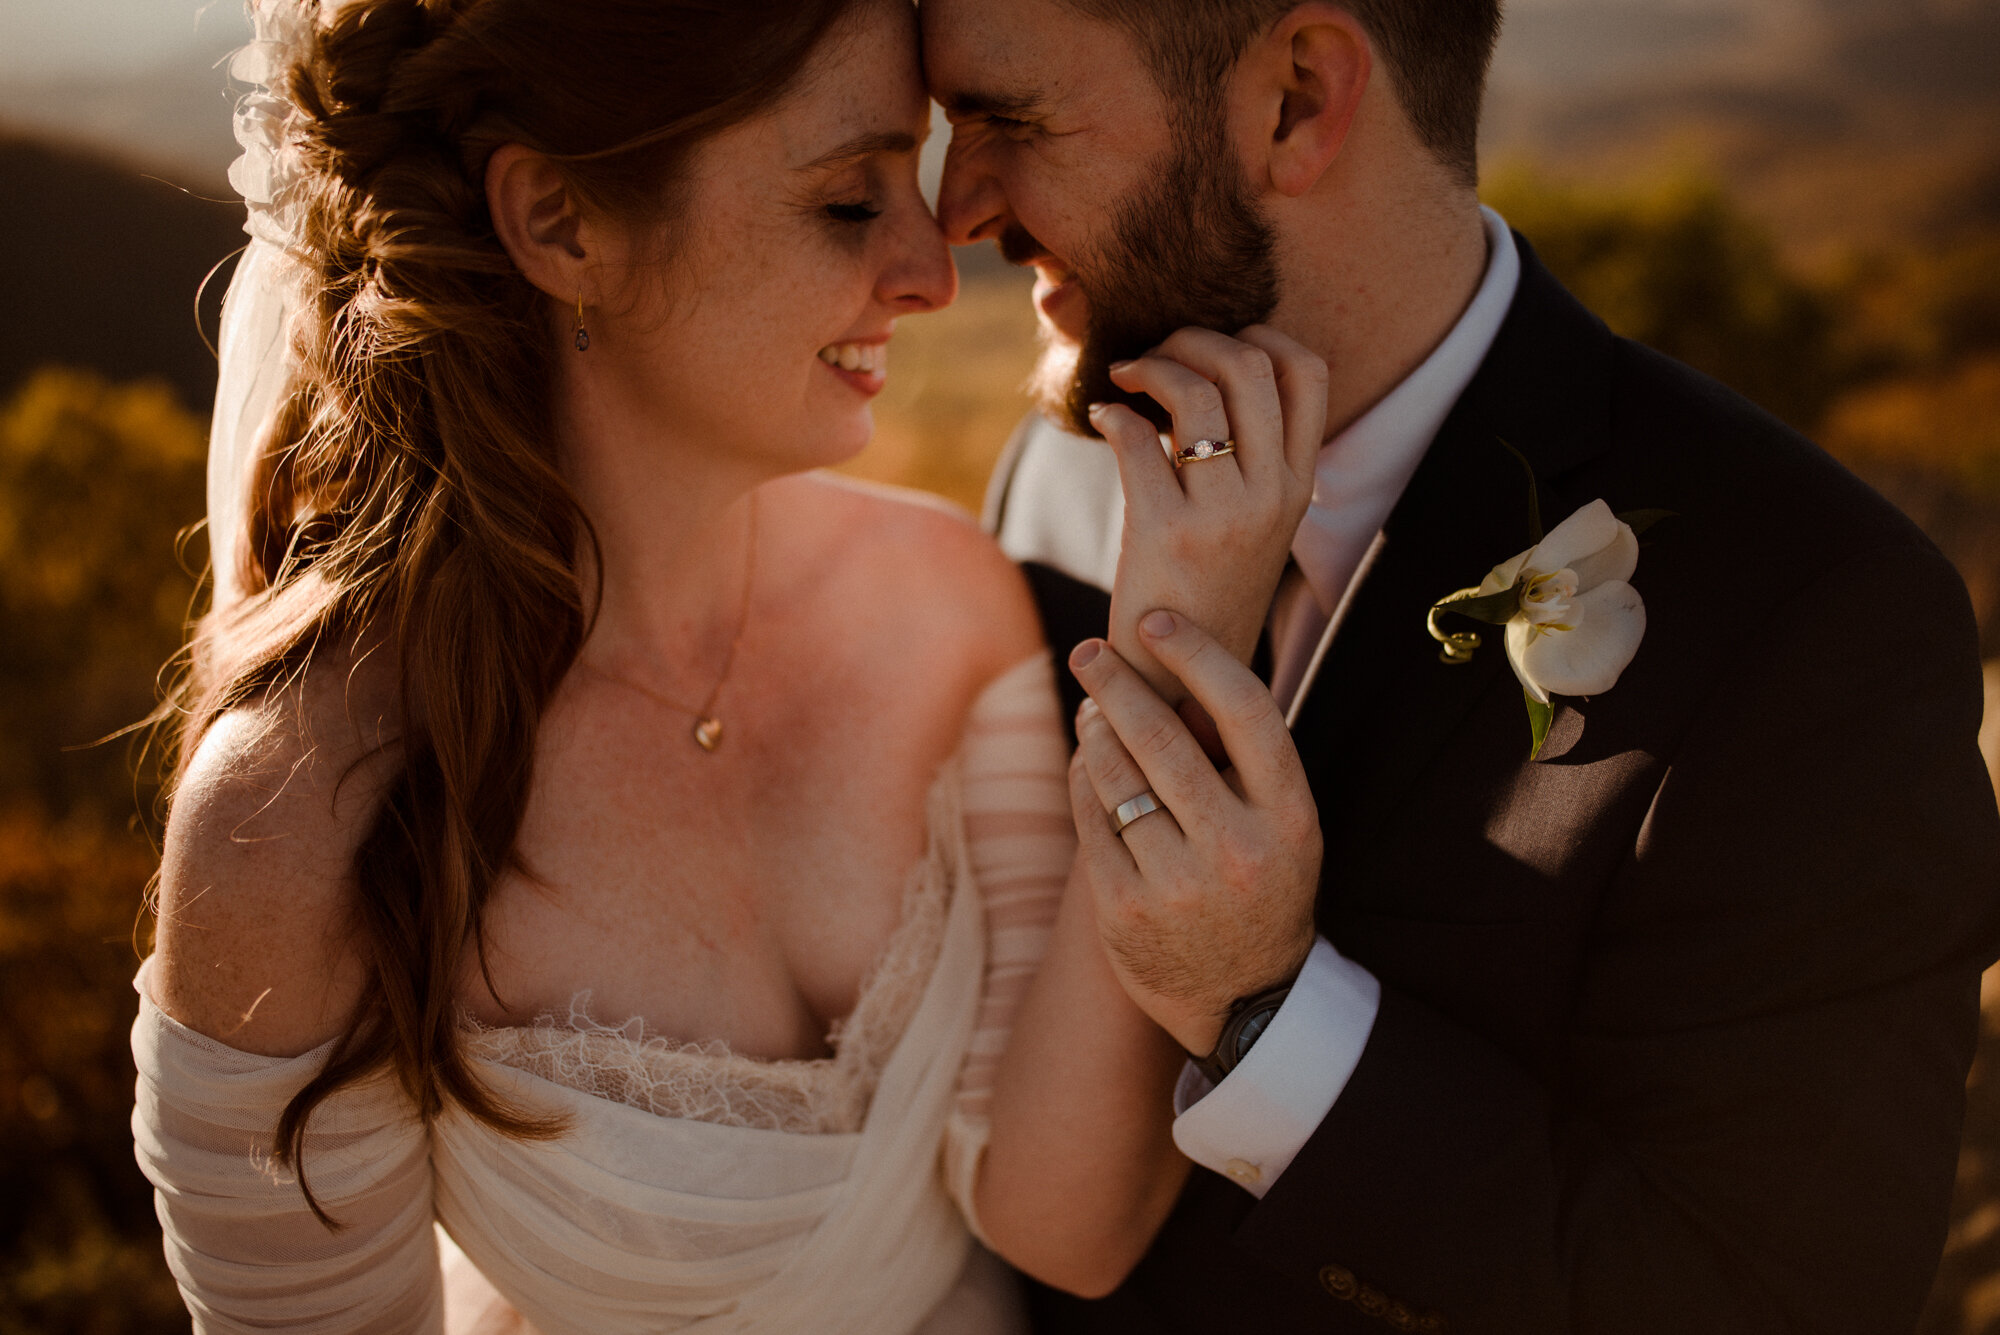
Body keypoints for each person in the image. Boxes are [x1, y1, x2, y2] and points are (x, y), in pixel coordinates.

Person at [132, 0, 1324, 1330]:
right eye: (848, 201)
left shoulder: (942, 598)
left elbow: (1067, 1222)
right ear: (562, 226)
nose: (936, 270)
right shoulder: (300, 816)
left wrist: (1187, 634)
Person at [924, 0, 2000, 1330]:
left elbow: (1771, 1301)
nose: (954, 206)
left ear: (1298, 101)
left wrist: (1264, 1011)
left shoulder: (1819, 617)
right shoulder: (1067, 472)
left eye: (1006, 120)